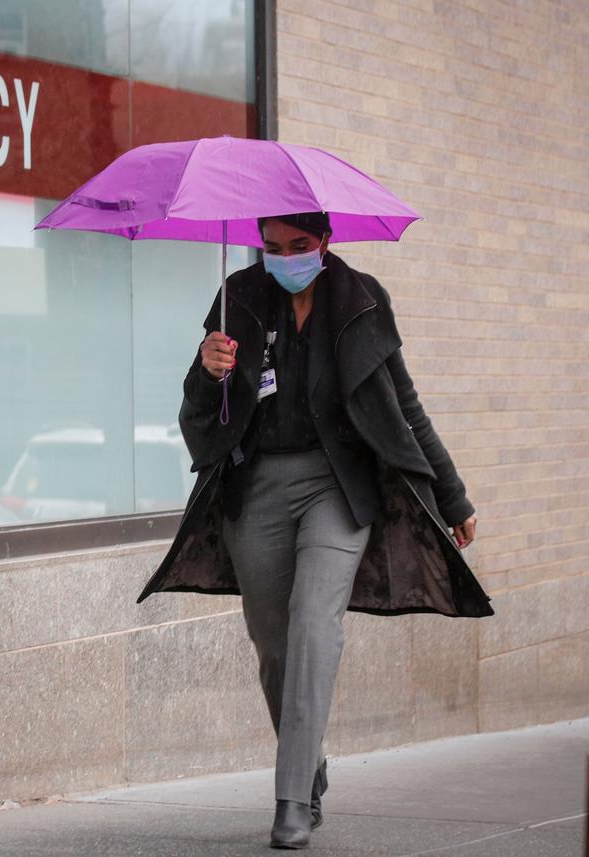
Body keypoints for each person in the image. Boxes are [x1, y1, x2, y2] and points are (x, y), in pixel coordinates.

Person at [135, 211, 493, 850]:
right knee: (272, 638)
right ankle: (310, 762)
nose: (285, 257)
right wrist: (206, 369)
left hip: (338, 486)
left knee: (314, 621)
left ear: (325, 243)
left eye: (300, 246)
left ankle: (291, 798)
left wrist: (452, 494)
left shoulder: (361, 300)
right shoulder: (238, 298)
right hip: (258, 484)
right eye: (272, 247)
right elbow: (198, 412)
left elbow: (403, 405)